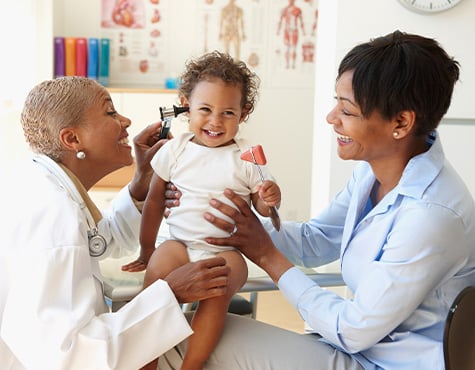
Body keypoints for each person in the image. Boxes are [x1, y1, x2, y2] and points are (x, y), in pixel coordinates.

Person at [162, 30, 475, 369]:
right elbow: (317, 241)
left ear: (401, 122)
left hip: (384, 363)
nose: (331, 117)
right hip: (357, 347)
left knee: (192, 340)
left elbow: (352, 329)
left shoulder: (431, 217)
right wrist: (231, 222)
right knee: (195, 331)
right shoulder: (373, 174)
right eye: (336, 102)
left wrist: (266, 254)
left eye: (347, 110)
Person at [0, 76, 231, 370]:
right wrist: (171, 294)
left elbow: (99, 242)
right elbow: (69, 357)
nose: (126, 120)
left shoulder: (42, 185)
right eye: (110, 112)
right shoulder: (53, 212)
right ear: (72, 140)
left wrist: (140, 184)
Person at [121, 50, 281, 370]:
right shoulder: (176, 149)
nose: (215, 121)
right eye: (205, 109)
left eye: (228, 113)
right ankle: (145, 362)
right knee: (155, 282)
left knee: (217, 293)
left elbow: (263, 208)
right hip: (179, 244)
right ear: (186, 104)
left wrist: (269, 198)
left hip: (225, 251)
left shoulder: (246, 157)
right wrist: (147, 248)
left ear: (244, 112)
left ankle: (191, 365)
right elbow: (154, 201)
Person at [276, 0, 306, 69]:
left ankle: (293, 64)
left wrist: (303, 31)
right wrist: (278, 30)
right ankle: (287, 64)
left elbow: (301, 21)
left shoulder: (297, 10)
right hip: (287, 30)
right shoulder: (285, 10)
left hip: (294, 30)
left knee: (294, 48)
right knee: (287, 48)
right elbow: (280, 20)